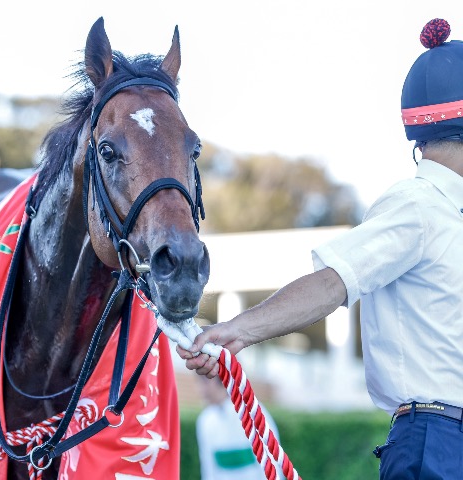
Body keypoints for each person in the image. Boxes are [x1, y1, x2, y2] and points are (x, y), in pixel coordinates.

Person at [178, 18, 463, 479]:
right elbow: (333, 282)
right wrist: (240, 330)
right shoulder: (418, 206)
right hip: (437, 441)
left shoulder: (450, 215)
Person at [195, 374, 280, 480]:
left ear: (221, 380)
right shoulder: (205, 420)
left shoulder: (254, 412)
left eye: (204, 382)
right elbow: (208, 470)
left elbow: (272, 466)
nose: (200, 390)